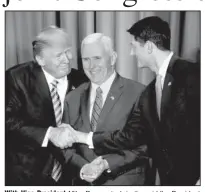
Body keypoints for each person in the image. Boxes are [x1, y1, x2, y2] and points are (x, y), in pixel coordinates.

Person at [62, 16, 200, 185]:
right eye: (86, 59)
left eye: (134, 47)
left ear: (149, 47)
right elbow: (129, 136)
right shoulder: (150, 91)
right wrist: (81, 138)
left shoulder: (193, 74)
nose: (131, 53)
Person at [61, 33, 148, 185]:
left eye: (97, 58)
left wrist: (107, 164)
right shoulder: (72, 97)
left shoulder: (139, 93)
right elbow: (65, 146)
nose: (91, 66)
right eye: (86, 59)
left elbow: (145, 146)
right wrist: (83, 168)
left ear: (113, 58)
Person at [5, 25, 88, 186]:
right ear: (40, 60)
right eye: (59, 55)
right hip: (26, 174)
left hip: (71, 175)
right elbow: (6, 121)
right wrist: (49, 134)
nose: (67, 59)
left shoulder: (81, 80)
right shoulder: (16, 78)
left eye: (67, 51)